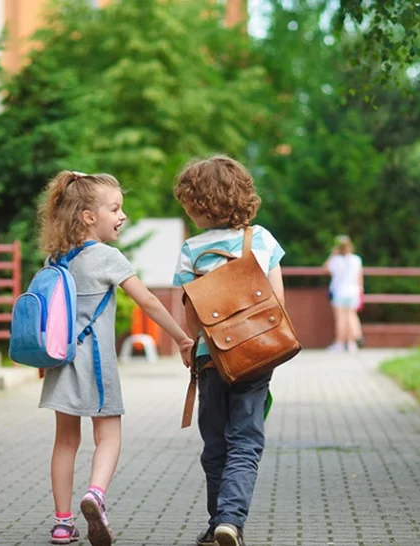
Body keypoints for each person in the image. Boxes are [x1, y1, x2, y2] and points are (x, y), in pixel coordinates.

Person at [37, 170, 194, 546]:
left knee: (65, 442)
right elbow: (150, 302)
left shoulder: (54, 259)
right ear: (89, 217)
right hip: (96, 364)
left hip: (60, 363)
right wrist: (182, 339)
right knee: (109, 435)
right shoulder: (107, 257)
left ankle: (62, 524)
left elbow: (46, 314)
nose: (122, 216)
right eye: (115, 208)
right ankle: (96, 494)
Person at [172, 155, 286, 546]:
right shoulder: (263, 240)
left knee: (216, 442)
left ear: (197, 205)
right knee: (246, 439)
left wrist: (193, 345)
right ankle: (230, 521)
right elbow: (278, 303)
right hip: (256, 353)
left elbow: (189, 316)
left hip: (211, 357)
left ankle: (217, 519)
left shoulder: (190, 250)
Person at [324, 235, 364, 353]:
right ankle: (352, 344)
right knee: (351, 316)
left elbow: (325, 269)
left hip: (339, 291)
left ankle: (340, 343)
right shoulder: (356, 259)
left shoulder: (335, 260)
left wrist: (332, 254)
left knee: (341, 318)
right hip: (353, 291)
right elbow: (359, 277)